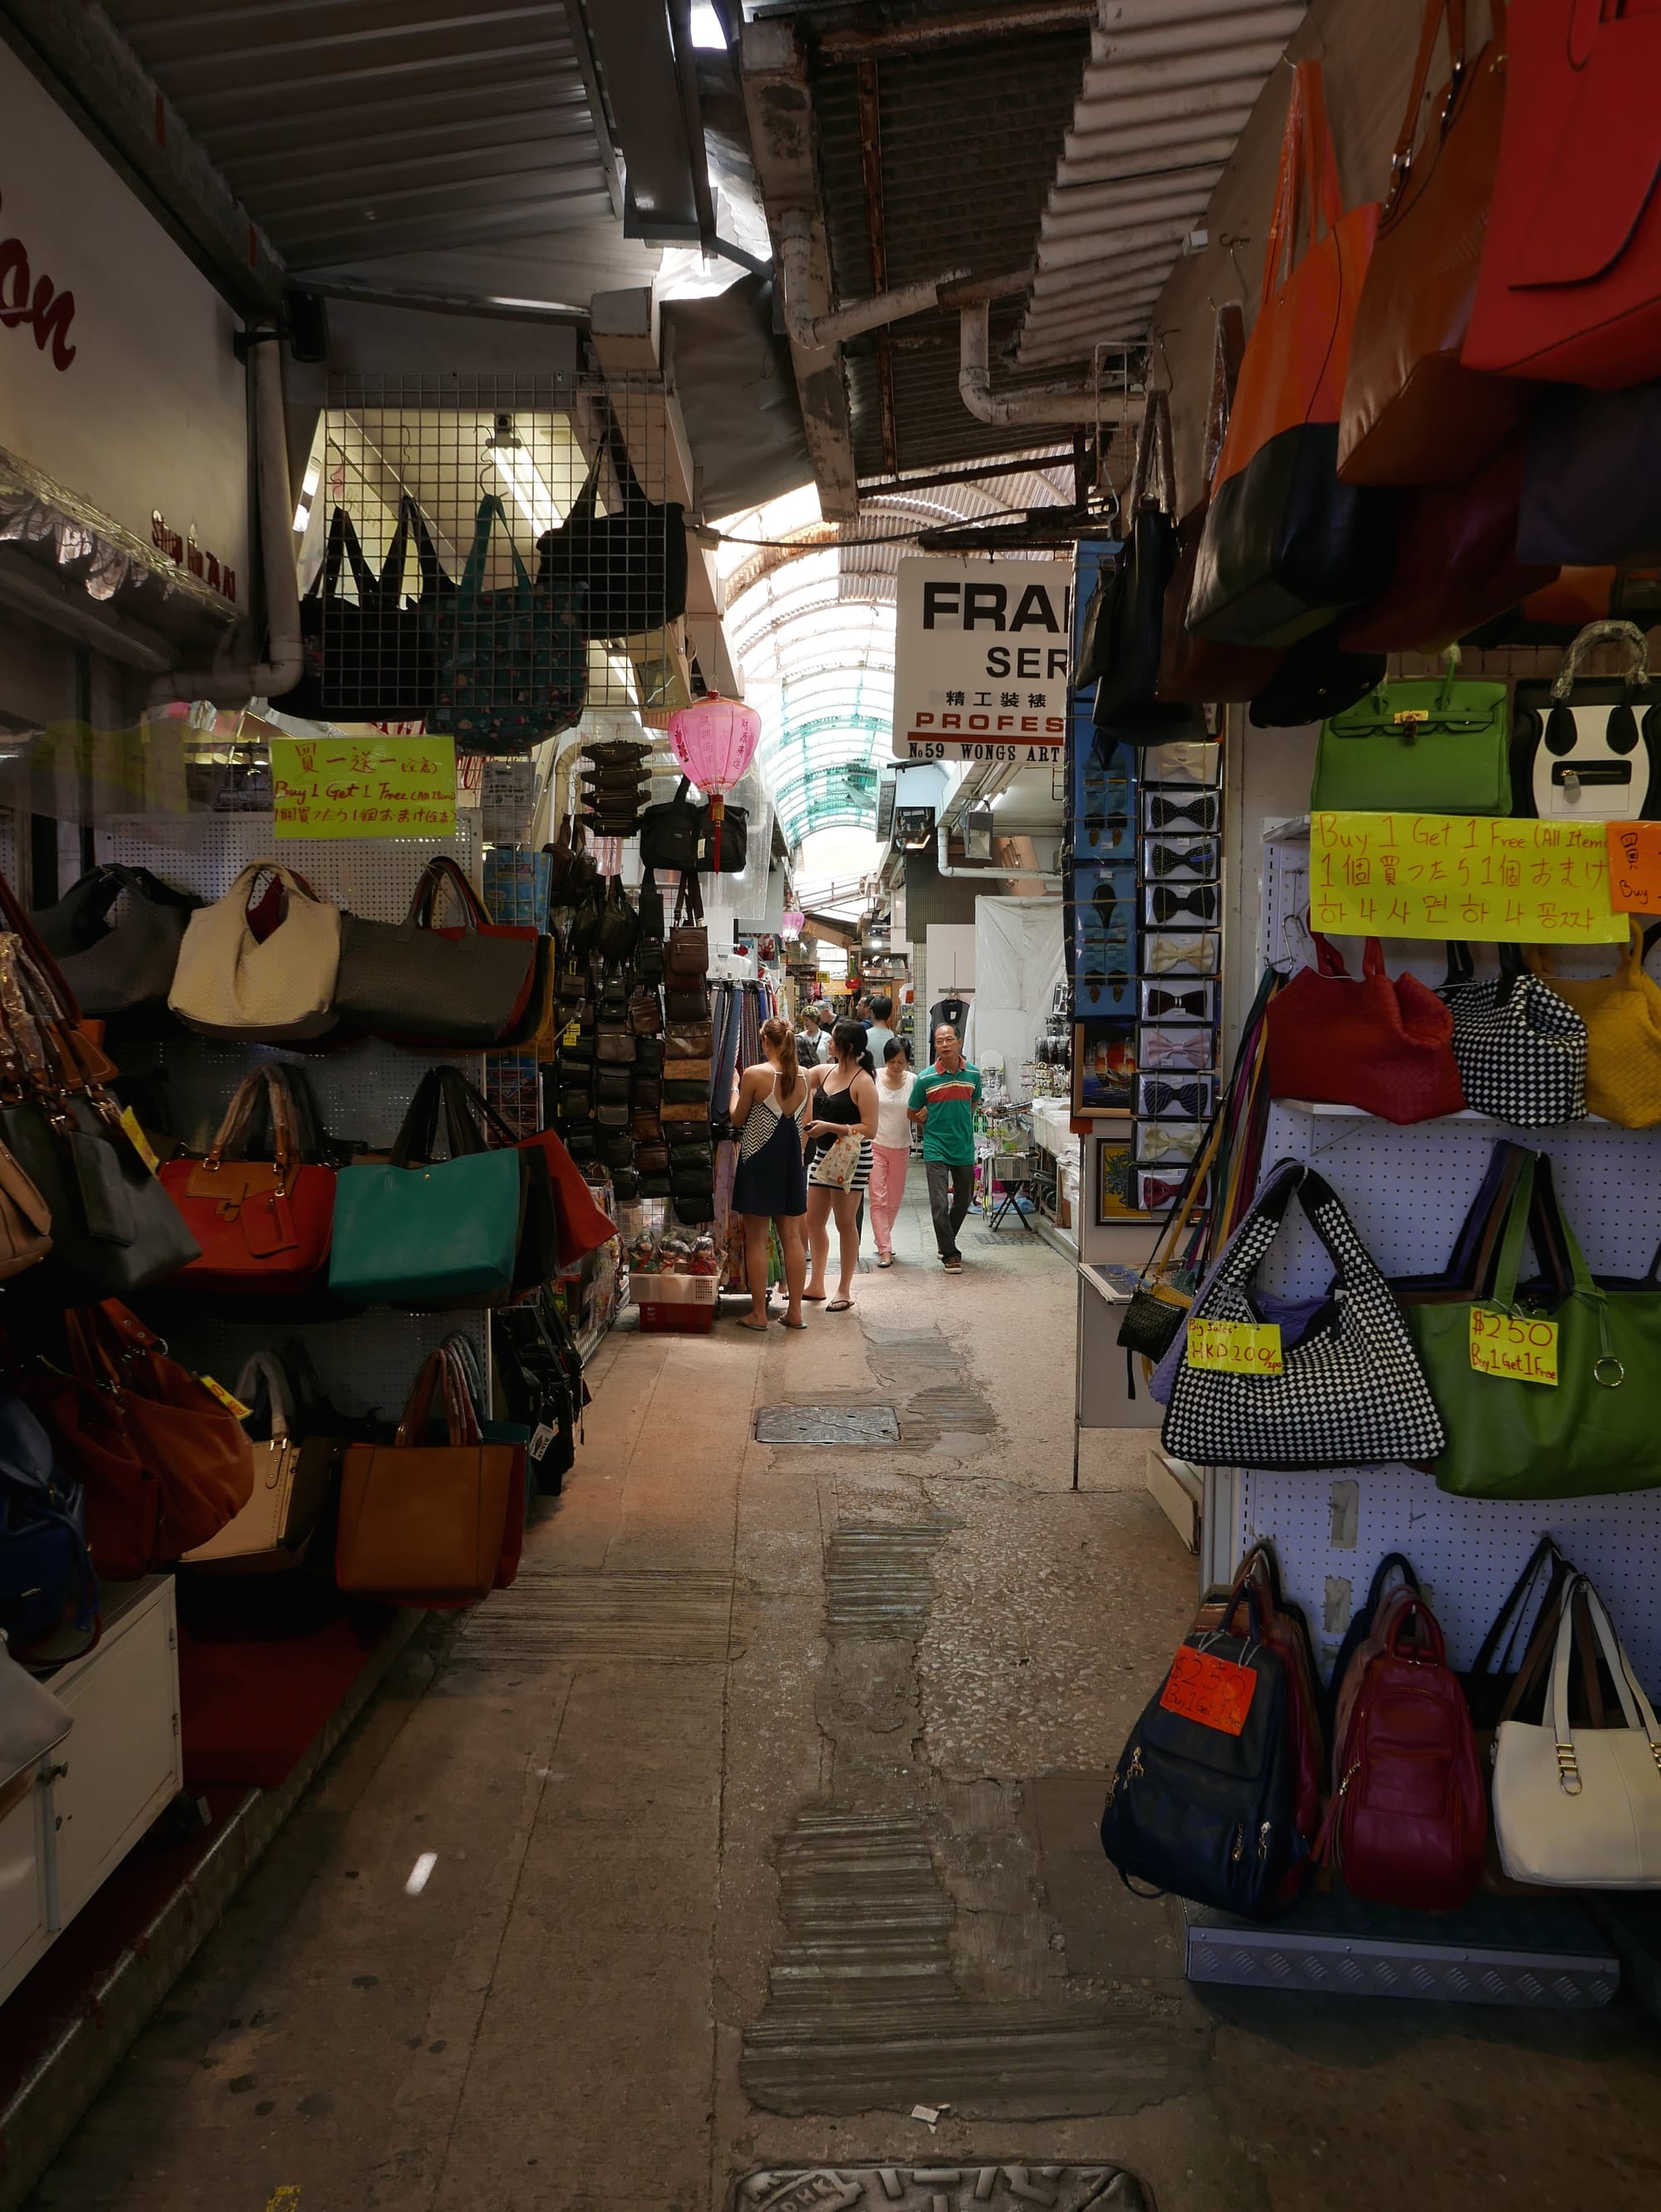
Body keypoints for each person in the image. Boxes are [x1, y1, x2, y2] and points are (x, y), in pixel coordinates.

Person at [729, 1016, 810, 1332]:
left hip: (758, 1159)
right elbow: (806, 1126)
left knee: (757, 1238)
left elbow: (737, 1120)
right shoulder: (804, 1077)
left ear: (765, 1041)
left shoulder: (754, 1074)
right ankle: (796, 1313)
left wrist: (734, 1089)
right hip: (792, 1162)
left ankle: (759, 1314)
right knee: (791, 1237)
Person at [803, 1018, 878, 1312]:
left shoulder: (863, 1081)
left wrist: (831, 1127)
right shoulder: (825, 1071)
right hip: (824, 1156)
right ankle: (816, 1282)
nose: (828, 1042)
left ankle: (844, 1289)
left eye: (833, 1039)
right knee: (813, 1220)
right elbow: (796, 1078)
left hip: (851, 1158)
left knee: (845, 1223)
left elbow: (870, 1129)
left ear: (847, 1047)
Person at [909, 1023, 982, 1274]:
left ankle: (945, 1240)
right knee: (939, 1203)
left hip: (963, 1146)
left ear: (959, 1042)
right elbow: (911, 1112)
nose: (944, 1045)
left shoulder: (973, 1074)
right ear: (935, 1045)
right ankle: (950, 1254)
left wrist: (957, 1119)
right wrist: (930, 1121)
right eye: (939, 1041)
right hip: (935, 1146)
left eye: (949, 1039)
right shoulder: (925, 1078)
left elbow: (973, 1102)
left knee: (963, 1200)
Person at [869, 1036, 913, 1268]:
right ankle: (885, 1249)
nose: (896, 1067)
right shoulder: (873, 1076)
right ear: (886, 1060)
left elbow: (920, 1109)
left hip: (902, 1146)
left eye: (901, 1062)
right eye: (892, 1061)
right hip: (875, 1144)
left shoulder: (914, 1081)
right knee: (879, 1199)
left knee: (894, 1201)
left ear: (907, 1062)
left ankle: (880, 1237)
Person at [865, 993, 896, 1063]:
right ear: (890, 1013)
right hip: (890, 1074)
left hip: (869, 1074)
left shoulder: (865, 1036)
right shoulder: (895, 1038)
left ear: (872, 1012)